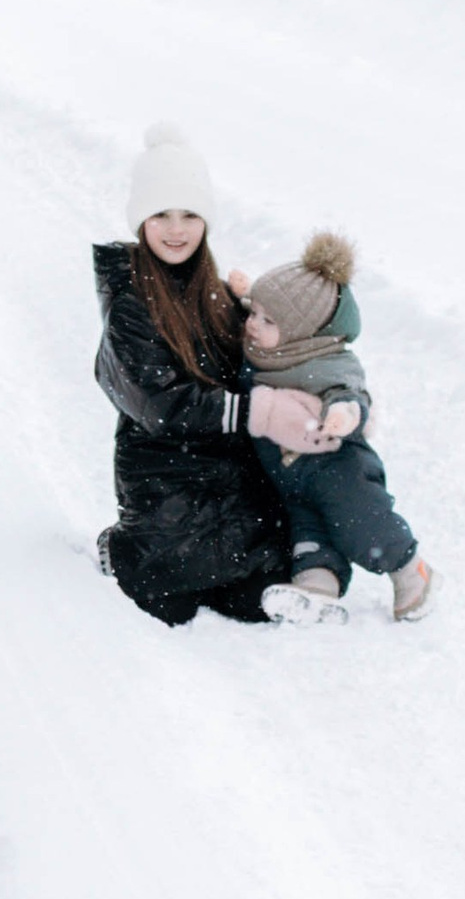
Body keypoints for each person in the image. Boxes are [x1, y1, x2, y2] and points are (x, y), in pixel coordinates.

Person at [90, 121, 323, 625]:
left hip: (230, 474)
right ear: (141, 220)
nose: (176, 230)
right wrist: (259, 413)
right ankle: (121, 548)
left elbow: (260, 364)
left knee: (255, 598)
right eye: (161, 214)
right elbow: (161, 405)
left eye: (190, 215)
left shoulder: (216, 292)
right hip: (165, 474)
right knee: (169, 598)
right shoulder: (129, 301)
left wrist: (261, 320)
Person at [235, 232, 436, 620]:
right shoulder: (267, 349)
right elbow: (263, 309)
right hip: (291, 474)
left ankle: (412, 572)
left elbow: (349, 392)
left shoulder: (325, 363)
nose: (253, 325)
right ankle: (316, 589)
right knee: (308, 533)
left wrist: (345, 413)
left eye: (267, 320)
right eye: (253, 314)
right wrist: (242, 296)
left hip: (338, 469)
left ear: (302, 333)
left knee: (363, 527)